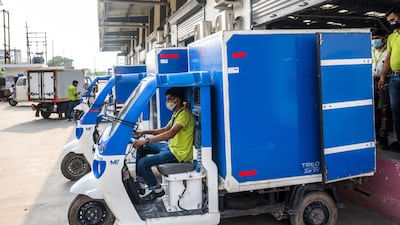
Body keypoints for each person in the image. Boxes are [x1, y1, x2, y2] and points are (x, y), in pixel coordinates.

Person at [132, 87, 194, 201]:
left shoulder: (184, 114)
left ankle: (157, 190)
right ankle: (141, 182)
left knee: (143, 163)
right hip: (170, 147)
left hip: (179, 154)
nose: (167, 102)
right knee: (141, 148)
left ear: (177, 100)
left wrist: (146, 140)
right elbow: (164, 129)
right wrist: (144, 133)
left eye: (169, 99)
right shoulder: (177, 113)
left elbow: (170, 133)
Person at [378, 6, 400, 151]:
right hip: (395, 78)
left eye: (393, 20)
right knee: (396, 110)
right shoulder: (392, 36)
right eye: (389, 21)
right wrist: (383, 75)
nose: (391, 23)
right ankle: (399, 141)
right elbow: (388, 58)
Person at [372, 28, 392, 147]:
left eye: (377, 38)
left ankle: (383, 136)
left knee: (385, 109)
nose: (375, 41)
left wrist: (383, 77)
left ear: (384, 38)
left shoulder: (388, 51)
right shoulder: (369, 49)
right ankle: (374, 134)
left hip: (385, 80)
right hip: (371, 80)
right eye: (373, 39)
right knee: (371, 108)